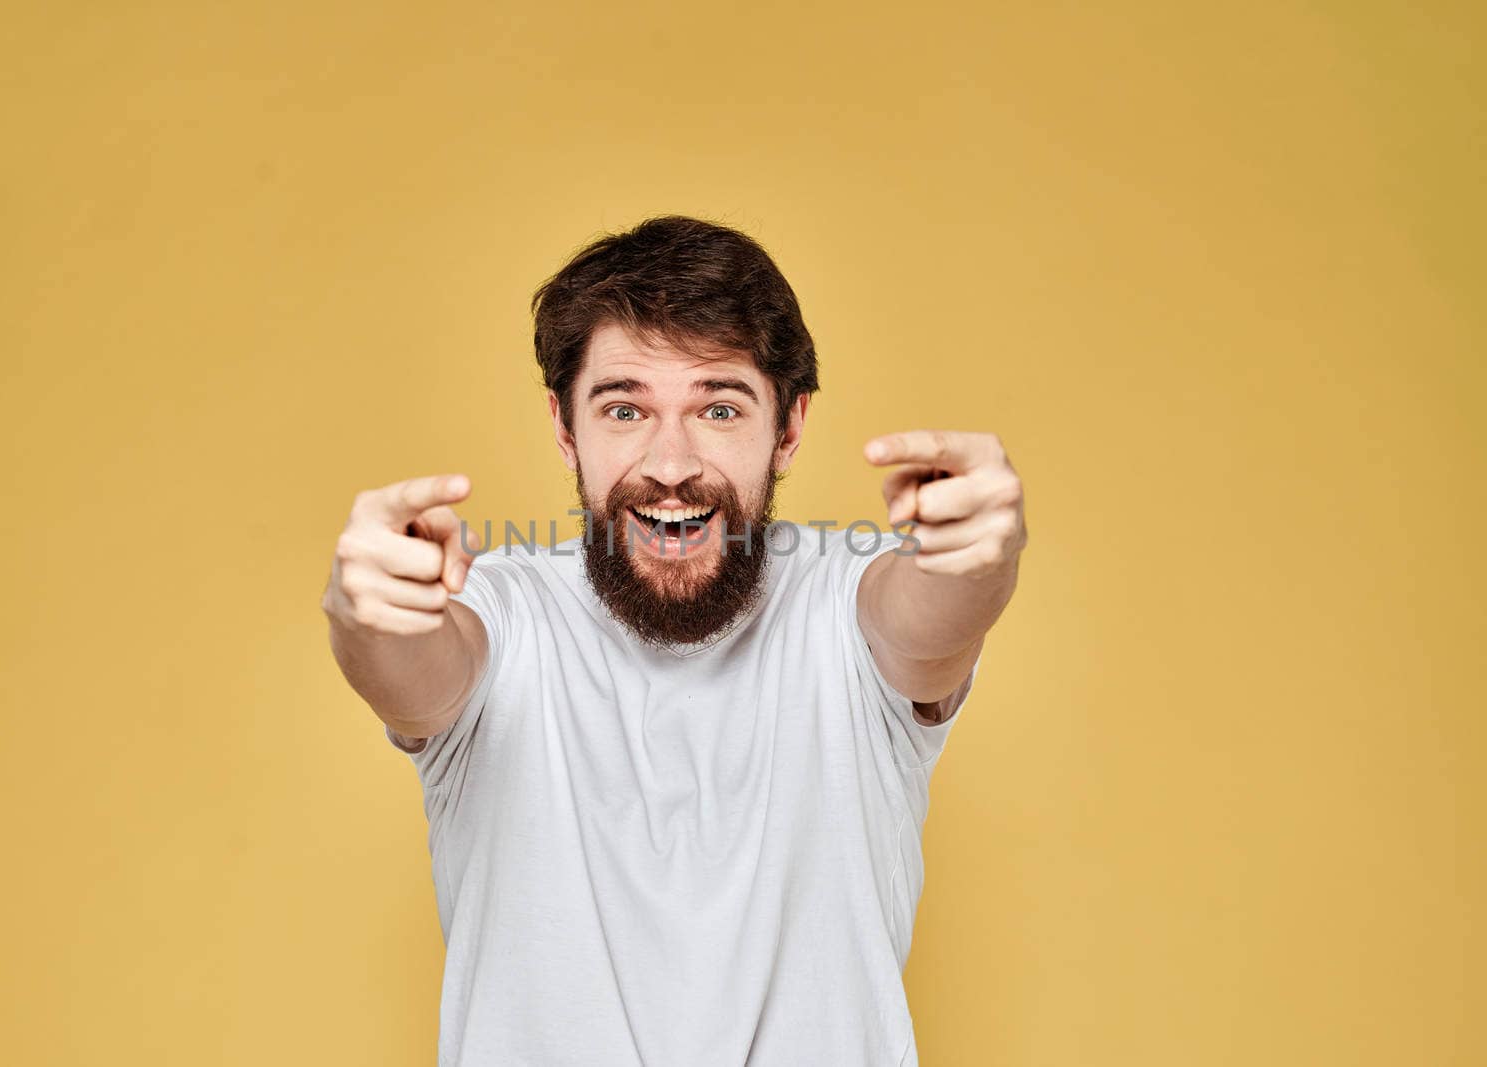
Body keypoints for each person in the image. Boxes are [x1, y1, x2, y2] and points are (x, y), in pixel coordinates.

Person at [321, 215, 1026, 1066]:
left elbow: (930, 618)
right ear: (565, 428)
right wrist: (370, 614)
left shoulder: (844, 604)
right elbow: (417, 675)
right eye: (625, 408)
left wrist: (980, 558)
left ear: (789, 428)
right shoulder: (502, 610)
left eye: (719, 407)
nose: (670, 462)